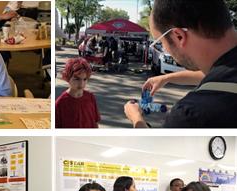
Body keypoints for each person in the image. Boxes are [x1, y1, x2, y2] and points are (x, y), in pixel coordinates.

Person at [124, 0, 237, 128]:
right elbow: (221, 75)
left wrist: (136, 118)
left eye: (160, 42)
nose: (164, 48)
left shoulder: (192, 115)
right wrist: (167, 78)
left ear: (179, 36)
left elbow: (153, 146)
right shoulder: (228, 73)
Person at [55, 57, 100, 128]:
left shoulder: (90, 97)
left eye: (85, 79)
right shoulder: (60, 104)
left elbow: (95, 122)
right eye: (77, 79)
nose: (81, 84)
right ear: (68, 77)